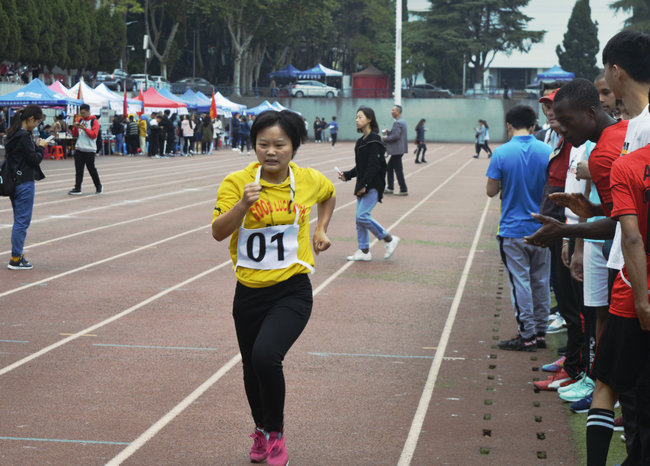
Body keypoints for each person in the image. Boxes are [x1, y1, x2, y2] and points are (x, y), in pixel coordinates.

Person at [211, 110, 336, 466]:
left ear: (293, 147)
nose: (270, 151)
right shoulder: (236, 182)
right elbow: (218, 232)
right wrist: (242, 205)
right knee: (252, 368)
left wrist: (321, 228)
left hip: (292, 289)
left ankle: (276, 435)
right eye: (262, 144)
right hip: (249, 292)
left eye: (279, 144)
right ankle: (261, 430)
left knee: (266, 356)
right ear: (253, 146)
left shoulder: (307, 180)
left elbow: (329, 195)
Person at [586, 138, 650, 466]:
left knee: (606, 386)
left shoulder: (627, 165)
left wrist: (642, 301)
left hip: (634, 290)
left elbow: (632, 236)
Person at [485, 105, 552, 351]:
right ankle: (541, 332)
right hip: (542, 227)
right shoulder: (547, 151)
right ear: (534, 126)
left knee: (520, 282)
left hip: (513, 230)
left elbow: (491, 191)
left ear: (509, 125)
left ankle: (527, 335)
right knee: (541, 281)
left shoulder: (501, 153)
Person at [340, 106, 400, 262]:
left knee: (362, 216)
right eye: (356, 117)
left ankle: (389, 239)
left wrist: (364, 185)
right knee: (359, 219)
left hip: (373, 185)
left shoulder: (375, 140)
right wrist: (347, 175)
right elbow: (361, 167)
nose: (356, 120)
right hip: (363, 183)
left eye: (360, 117)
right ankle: (364, 251)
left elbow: (374, 166)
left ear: (369, 119)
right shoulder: (360, 142)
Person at [5, 105, 47, 269]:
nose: (37, 125)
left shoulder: (13, 134)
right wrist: (41, 148)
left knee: (19, 220)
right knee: (22, 221)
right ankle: (16, 258)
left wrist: (34, 147)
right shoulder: (24, 136)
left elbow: (22, 155)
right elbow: (34, 160)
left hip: (14, 180)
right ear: (30, 119)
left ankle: (17, 255)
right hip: (24, 182)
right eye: (37, 122)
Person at [69, 104, 102, 195]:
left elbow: (93, 135)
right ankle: (77, 188)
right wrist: (75, 128)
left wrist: (84, 128)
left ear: (88, 111)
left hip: (89, 150)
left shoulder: (94, 121)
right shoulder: (80, 120)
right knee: (78, 170)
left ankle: (98, 186)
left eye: (84, 113)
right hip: (79, 149)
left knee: (91, 169)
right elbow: (76, 134)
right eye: (81, 113)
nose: (82, 115)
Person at [383, 104, 408, 195]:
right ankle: (392, 187)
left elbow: (396, 136)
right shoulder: (402, 121)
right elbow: (397, 133)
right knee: (392, 168)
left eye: (393, 110)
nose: (392, 112)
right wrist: (389, 132)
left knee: (397, 170)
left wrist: (385, 138)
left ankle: (402, 189)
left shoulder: (397, 123)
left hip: (397, 150)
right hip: (400, 149)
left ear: (398, 112)